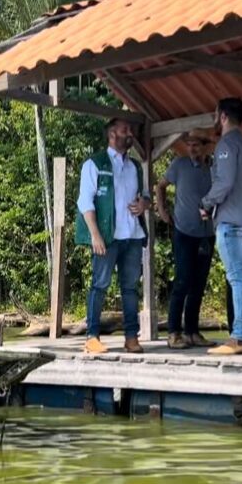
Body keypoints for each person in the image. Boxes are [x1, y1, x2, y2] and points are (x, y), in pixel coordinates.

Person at [75, 118, 150, 354]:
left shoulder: (134, 166)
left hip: (133, 235)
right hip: (107, 237)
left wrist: (144, 204)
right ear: (112, 135)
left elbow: (145, 195)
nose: (130, 133)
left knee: (130, 288)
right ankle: (92, 336)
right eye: (125, 130)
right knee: (100, 285)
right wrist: (95, 235)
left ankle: (131, 337)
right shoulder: (94, 163)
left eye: (130, 130)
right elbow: (84, 202)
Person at [200, 97, 242, 356]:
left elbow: (224, 182)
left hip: (231, 222)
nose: (214, 119)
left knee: (237, 279)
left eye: (215, 114)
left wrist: (206, 203)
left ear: (223, 116)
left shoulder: (226, 145)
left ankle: (240, 337)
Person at [154, 130, 216, 349]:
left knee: (199, 284)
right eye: (189, 145)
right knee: (182, 281)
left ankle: (192, 331)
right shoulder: (178, 165)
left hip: (207, 233)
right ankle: (173, 333)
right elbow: (160, 185)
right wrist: (162, 210)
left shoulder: (214, 166)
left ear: (206, 146)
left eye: (196, 145)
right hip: (183, 231)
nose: (192, 149)